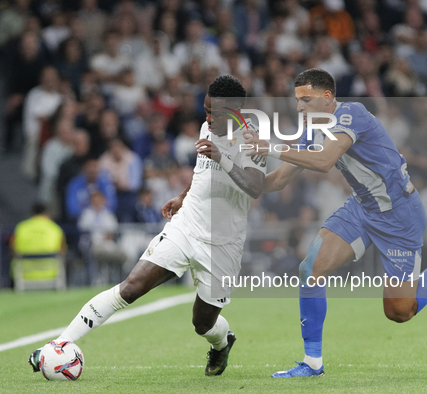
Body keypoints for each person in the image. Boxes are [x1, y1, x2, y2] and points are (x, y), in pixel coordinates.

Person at [243, 68, 427, 378]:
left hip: (399, 215)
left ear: (328, 97)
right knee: (310, 268)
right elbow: (277, 181)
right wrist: (238, 180)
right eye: (297, 101)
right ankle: (312, 362)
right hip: (362, 207)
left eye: (306, 100)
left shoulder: (351, 114)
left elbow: (325, 161)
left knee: (399, 312)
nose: (299, 107)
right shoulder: (311, 130)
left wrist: (268, 146)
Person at [28, 75, 266, 377]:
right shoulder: (209, 126)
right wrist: (183, 196)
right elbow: (204, 172)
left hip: (223, 243)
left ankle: (223, 343)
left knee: (202, 323)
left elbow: (255, 186)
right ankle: (59, 344)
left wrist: (222, 156)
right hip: (188, 225)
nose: (206, 119)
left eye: (213, 113)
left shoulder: (252, 138)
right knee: (131, 286)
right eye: (205, 110)